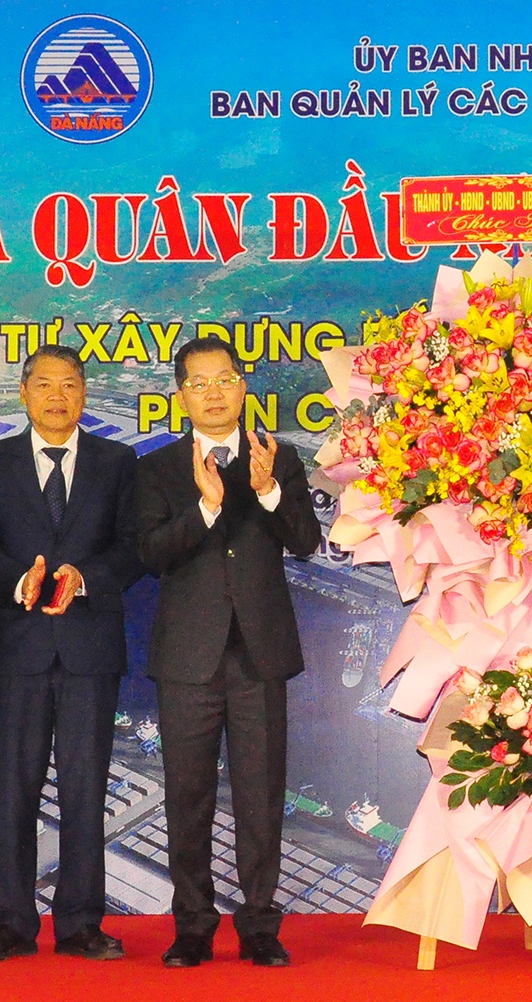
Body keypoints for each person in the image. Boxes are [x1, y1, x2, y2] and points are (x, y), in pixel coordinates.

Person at [135, 336, 321, 968]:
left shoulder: (279, 456)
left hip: (259, 656)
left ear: (242, 388)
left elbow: (304, 541)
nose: (213, 392)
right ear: (181, 396)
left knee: (261, 794)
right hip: (188, 658)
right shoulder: (157, 468)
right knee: (187, 795)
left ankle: (260, 925)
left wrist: (267, 493)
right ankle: (192, 925)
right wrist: (207, 510)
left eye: (225, 379)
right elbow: (151, 555)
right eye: (198, 382)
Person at [0, 345, 142, 962]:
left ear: (84, 394)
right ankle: (9, 923)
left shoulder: (117, 461)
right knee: (14, 788)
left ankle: (81, 923)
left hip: (89, 648)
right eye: (44, 385)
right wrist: (17, 580)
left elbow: (132, 547)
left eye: (69, 385)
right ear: (24, 393)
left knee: (86, 790)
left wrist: (83, 579)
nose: (57, 396)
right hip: (17, 647)